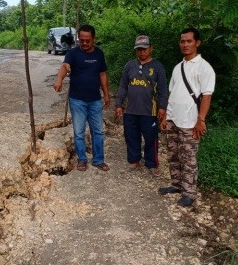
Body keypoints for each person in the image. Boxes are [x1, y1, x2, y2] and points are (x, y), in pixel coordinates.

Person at [159, 28, 215, 207]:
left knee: (188, 157)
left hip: (190, 122)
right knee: (173, 155)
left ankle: (189, 193)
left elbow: (206, 95)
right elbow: (171, 92)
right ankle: (176, 185)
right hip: (173, 118)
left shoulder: (204, 67)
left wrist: (201, 120)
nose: (185, 44)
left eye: (189, 41)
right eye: (182, 41)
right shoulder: (178, 67)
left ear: (197, 43)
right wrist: (166, 115)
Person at [53, 24, 111, 172]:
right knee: (79, 132)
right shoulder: (73, 53)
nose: (84, 43)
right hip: (77, 100)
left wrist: (106, 94)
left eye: (87, 40)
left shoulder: (99, 54)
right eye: (81, 40)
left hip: (95, 100)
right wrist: (59, 79)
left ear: (94, 39)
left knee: (97, 131)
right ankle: (82, 159)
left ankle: (98, 160)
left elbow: (102, 74)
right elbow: (65, 66)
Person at [115, 35, 168, 175]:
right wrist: (118, 104)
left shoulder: (157, 67)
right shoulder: (129, 66)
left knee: (151, 138)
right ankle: (134, 161)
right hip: (131, 110)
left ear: (151, 48)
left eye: (144, 49)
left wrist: (163, 108)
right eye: (139, 49)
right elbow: (123, 86)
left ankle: (152, 163)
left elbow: (163, 89)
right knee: (131, 136)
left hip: (149, 111)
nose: (142, 52)